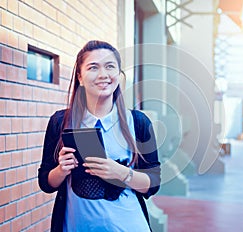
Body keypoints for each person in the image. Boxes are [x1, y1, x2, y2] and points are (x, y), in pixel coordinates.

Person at [38, 40, 161, 232]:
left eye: (110, 67)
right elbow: (46, 182)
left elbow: (152, 183)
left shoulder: (138, 123)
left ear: (119, 75)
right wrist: (62, 170)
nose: (103, 75)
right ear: (80, 76)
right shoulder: (60, 122)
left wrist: (120, 173)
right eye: (93, 67)